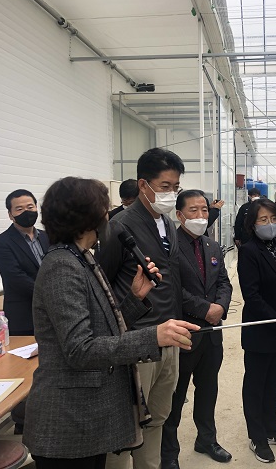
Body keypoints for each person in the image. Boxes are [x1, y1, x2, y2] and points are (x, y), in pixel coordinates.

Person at [23, 176, 198, 469]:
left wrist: (135, 298)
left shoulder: (81, 259)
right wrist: (152, 336)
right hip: (68, 426)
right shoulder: (62, 268)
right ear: (86, 217)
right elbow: (81, 349)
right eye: (104, 210)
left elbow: (102, 327)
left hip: (85, 420)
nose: (109, 216)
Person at [98, 147, 186, 469]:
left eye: (175, 187)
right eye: (165, 187)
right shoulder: (119, 227)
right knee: (128, 420)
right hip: (137, 339)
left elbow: (172, 278)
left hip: (169, 335)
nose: (171, 194)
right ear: (143, 185)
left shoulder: (168, 224)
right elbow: (102, 285)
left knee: (158, 415)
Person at [161, 191, 233, 469]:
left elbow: (224, 282)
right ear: (179, 215)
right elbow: (170, 289)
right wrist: (205, 309)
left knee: (208, 389)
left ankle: (206, 439)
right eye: (193, 211)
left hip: (212, 335)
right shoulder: (168, 247)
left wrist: (220, 307)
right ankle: (169, 453)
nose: (201, 216)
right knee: (175, 395)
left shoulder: (212, 246)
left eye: (204, 210)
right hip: (184, 333)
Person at [237, 198, 276, 464]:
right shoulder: (249, 251)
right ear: (252, 224)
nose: (270, 224)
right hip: (262, 329)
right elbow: (251, 296)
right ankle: (257, 436)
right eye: (263, 220)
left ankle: (272, 429)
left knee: (274, 383)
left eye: (274, 219)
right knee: (256, 385)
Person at [0, 189, 49, 336]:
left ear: (36, 208)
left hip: (52, 315)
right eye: (19, 209)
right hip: (24, 317)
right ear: (10, 215)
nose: (26, 212)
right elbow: (16, 278)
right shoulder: (0, 243)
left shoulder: (48, 237)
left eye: (30, 207)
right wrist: (50, 294)